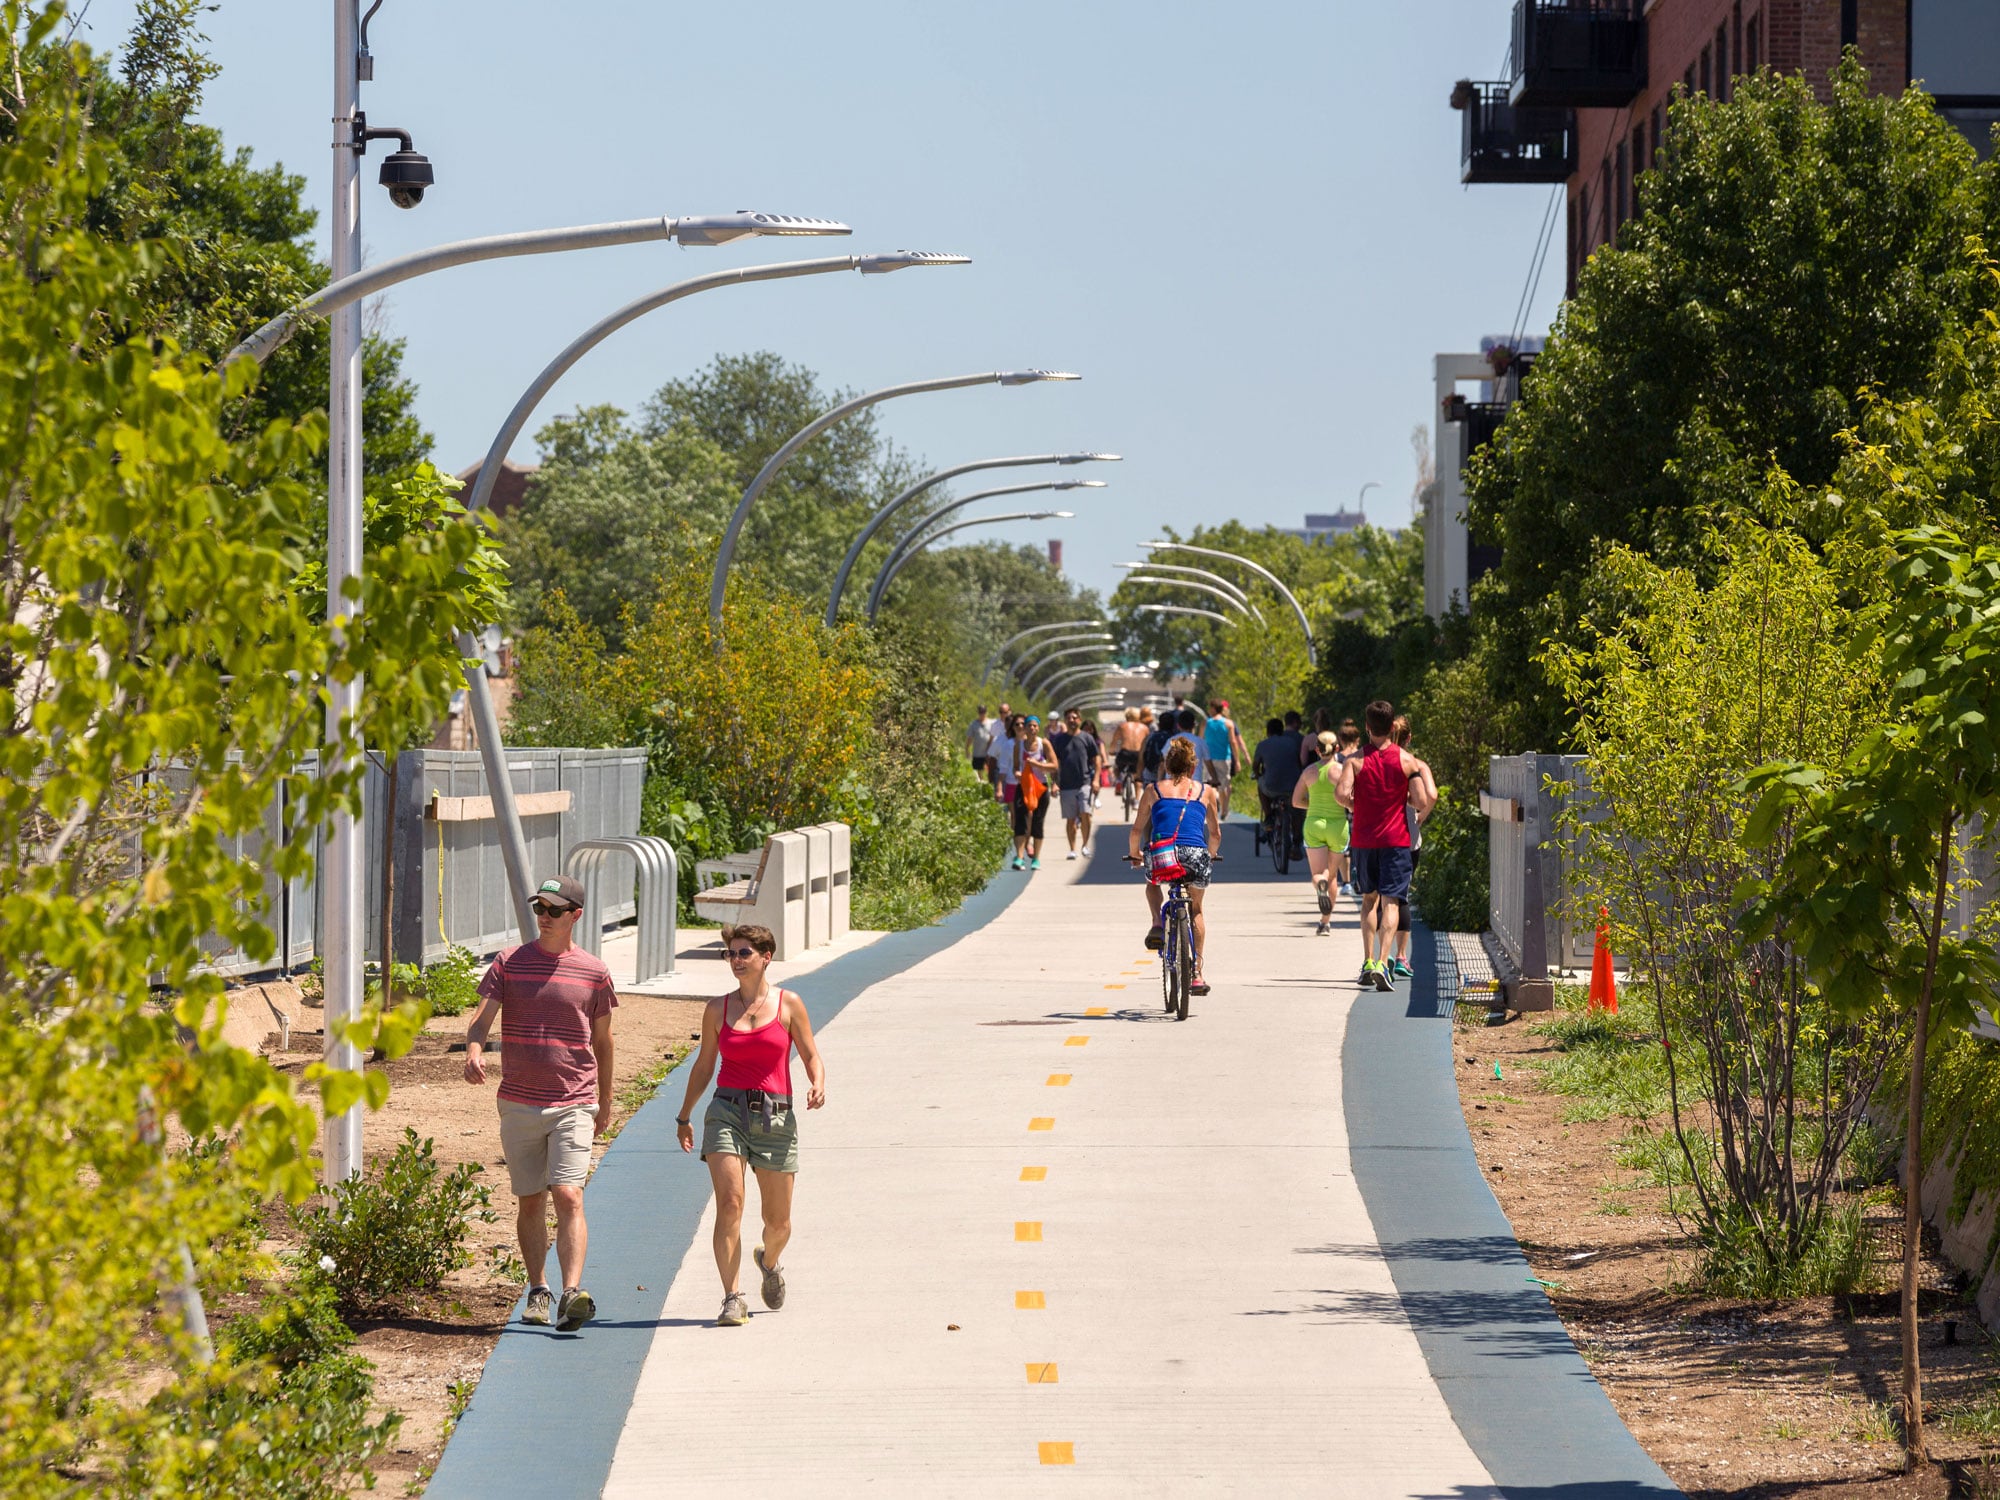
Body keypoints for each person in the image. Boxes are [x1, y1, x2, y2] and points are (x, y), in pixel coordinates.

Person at [462, 874, 615, 1333]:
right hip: (519, 1102)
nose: (544, 918)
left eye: (553, 910)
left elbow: (605, 1043)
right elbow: (479, 1021)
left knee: (568, 1194)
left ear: (575, 916)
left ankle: (571, 1293)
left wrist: (605, 1102)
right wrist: (474, 1050)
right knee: (530, 1202)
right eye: (538, 909)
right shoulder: (509, 962)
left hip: (574, 1099)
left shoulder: (595, 972)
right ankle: (538, 1289)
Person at [674, 923, 827, 1327]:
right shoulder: (717, 1009)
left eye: (744, 953)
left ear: (766, 957)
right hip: (726, 1111)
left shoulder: (789, 1004)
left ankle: (769, 1260)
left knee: (778, 1223)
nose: (737, 960)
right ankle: (732, 1297)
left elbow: (811, 1054)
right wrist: (685, 1115)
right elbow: (705, 1065)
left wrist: (818, 1083)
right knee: (730, 1204)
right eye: (732, 954)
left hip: (776, 1117)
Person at [1337, 700, 1436, 991]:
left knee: (1370, 899)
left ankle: (1367, 961)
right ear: (1393, 727)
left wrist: (1361, 805)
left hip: (1365, 841)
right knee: (1392, 901)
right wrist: (1397, 798)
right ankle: (1384, 962)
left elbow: (1341, 795)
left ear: (1367, 728)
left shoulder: (1355, 760)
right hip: (1396, 841)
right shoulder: (1407, 761)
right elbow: (1421, 800)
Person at [1127, 736, 1220, 995]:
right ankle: (1198, 974)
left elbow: (1137, 830)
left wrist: (1135, 855)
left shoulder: (1153, 790)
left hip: (1163, 854)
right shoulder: (1206, 792)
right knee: (1197, 910)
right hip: (1195, 855)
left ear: (1167, 766)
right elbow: (1215, 835)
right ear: (1193, 767)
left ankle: (1157, 922)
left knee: (1152, 883)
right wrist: (1210, 856)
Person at [1389, 715, 1439, 979]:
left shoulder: (1381, 760)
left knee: (1379, 896)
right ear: (1409, 738)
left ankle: (1379, 953)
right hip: (1409, 838)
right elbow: (1431, 795)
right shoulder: (1416, 764)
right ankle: (1400, 956)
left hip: (1381, 837)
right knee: (1402, 896)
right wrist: (1420, 817)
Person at [1291, 731, 1350, 936]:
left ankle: (1320, 882)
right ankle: (1325, 923)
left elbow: (1296, 801)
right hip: (1337, 826)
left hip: (1314, 823)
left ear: (1316, 750)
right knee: (1332, 876)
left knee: (1317, 873)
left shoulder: (1308, 772)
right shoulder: (1342, 771)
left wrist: (1313, 804)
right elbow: (1351, 799)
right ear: (1337, 749)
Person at [1050, 708, 1101, 859]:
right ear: (1065, 721)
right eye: (1069, 718)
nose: (1072, 720)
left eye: (1075, 717)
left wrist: (1096, 779)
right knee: (1070, 818)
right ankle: (1072, 849)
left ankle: (1085, 845)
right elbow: (1055, 763)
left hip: (1084, 782)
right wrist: (1054, 783)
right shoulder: (1059, 740)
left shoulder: (1087, 738)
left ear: (1079, 719)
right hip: (1066, 784)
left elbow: (1096, 759)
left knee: (1086, 813)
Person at [1012, 714, 1058, 869]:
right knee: (1021, 821)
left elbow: (1054, 765)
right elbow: (1015, 766)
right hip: (1024, 787)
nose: (1032, 728)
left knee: (1038, 822)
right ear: (1024, 728)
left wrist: (1037, 765)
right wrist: (1017, 773)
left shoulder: (1043, 744)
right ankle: (1019, 857)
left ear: (1038, 728)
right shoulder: (1019, 745)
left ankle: (1036, 858)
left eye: (1035, 726)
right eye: (1029, 725)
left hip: (1040, 787)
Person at [1202, 698, 1248, 820]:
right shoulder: (1228, 724)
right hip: (1224, 758)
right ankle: (1224, 810)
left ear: (1213, 708)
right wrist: (1237, 760)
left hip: (1208, 758)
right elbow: (1233, 742)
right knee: (1224, 786)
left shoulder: (1205, 723)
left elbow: (1200, 740)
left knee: (1209, 783)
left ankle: (1213, 804)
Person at [988, 712, 1020, 807]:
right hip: (1002, 774)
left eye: (1012, 724)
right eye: (1007, 724)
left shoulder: (1020, 739)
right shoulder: (999, 740)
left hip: (1016, 775)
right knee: (1002, 802)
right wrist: (991, 776)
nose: (1009, 726)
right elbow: (992, 759)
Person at [964, 704, 995, 778]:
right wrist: (967, 749)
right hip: (977, 753)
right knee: (979, 772)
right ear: (978, 712)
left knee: (989, 771)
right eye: (980, 712)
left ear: (986, 712)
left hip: (989, 753)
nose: (982, 714)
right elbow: (969, 738)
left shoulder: (991, 723)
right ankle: (981, 784)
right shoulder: (974, 724)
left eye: (983, 712)